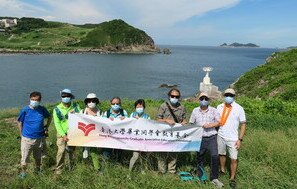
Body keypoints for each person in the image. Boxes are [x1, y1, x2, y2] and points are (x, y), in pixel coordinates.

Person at [189, 92, 224, 188]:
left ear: (208, 100)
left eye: (205, 98)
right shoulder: (195, 110)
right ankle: (201, 176)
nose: (204, 100)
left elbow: (219, 122)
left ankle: (214, 178)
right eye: (202, 98)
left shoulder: (213, 110)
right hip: (200, 138)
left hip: (212, 137)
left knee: (214, 156)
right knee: (199, 157)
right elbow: (191, 123)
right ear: (199, 100)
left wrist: (210, 125)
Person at [217, 88, 246, 189]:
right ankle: (222, 170)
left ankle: (232, 177)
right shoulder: (219, 107)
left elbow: (243, 124)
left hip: (233, 138)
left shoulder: (239, 108)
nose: (228, 97)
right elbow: (217, 121)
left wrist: (240, 139)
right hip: (220, 135)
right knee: (221, 154)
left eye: (231, 95)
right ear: (224, 96)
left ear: (234, 96)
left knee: (234, 159)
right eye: (227, 95)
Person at [17, 91, 51, 178]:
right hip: (27, 138)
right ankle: (23, 173)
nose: (34, 101)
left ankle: (38, 170)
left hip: (39, 138)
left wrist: (46, 127)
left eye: (36, 100)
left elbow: (49, 117)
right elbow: (19, 122)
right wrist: (21, 135)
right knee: (24, 158)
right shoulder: (25, 110)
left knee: (38, 157)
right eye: (32, 99)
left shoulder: (42, 109)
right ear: (30, 99)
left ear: (40, 100)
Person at [156, 88, 187, 174]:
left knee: (173, 153)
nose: (174, 98)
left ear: (179, 97)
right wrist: (166, 120)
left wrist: (184, 122)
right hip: (164, 133)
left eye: (176, 96)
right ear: (169, 96)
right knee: (162, 152)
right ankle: (161, 171)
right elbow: (158, 119)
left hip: (175, 134)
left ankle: (171, 171)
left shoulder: (182, 107)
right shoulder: (163, 106)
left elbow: (184, 120)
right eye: (172, 96)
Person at [53, 88, 80, 175]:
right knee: (61, 151)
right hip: (62, 134)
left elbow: (80, 117)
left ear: (71, 97)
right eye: (64, 96)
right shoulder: (57, 109)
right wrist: (63, 135)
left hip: (73, 133)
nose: (66, 97)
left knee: (71, 151)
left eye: (68, 96)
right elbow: (57, 124)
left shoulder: (76, 106)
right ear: (61, 97)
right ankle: (59, 169)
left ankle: (70, 167)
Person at [80, 93, 102, 171]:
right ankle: (87, 167)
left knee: (94, 152)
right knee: (85, 153)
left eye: (93, 101)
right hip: (85, 135)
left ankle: (97, 168)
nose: (91, 103)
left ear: (96, 102)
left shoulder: (100, 112)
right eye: (89, 101)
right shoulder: (82, 111)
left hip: (95, 136)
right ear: (86, 102)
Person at [102, 97, 128, 161]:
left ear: (120, 104)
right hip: (109, 137)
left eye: (117, 103)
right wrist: (107, 120)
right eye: (113, 103)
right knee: (106, 154)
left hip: (120, 137)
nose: (115, 105)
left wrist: (125, 119)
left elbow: (128, 124)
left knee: (118, 154)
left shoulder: (124, 112)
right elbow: (102, 124)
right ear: (111, 104)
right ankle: (105, 167)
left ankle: (118, 165)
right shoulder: (106, 113)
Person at [129, 99, 151, 173]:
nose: (139, 108)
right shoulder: (132, 115)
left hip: (144, 139)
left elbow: (149, 126)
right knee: (135, 156)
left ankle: (142, 170)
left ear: (144, 107)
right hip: (135, 139)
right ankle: (129, 172)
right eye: (137, 107)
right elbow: (129, 125)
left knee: (143, 156)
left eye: (141, 106)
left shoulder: (147, 116)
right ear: (135, 108)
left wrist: (140, 120)